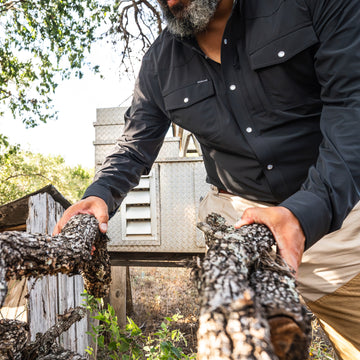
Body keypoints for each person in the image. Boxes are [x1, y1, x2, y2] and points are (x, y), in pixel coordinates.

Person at [54, 0, 360, 357]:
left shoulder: (311, 6)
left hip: (342, 226)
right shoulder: (158, 64)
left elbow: (352, 108)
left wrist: (307, 209)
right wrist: (100, 193)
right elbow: (134, 145)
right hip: (237, 233)